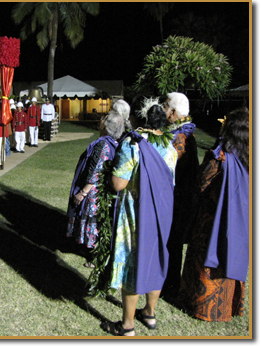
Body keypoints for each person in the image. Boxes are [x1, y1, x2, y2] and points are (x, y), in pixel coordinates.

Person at [101, 98, 177, 336]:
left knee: (133, 263)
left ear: (139, 121)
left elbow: (118, 184)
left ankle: (127, 326)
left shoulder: (132, 145)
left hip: (136, 213)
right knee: (154, 260)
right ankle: (150, 313)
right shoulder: (171, 148)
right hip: (161, 212)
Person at [178, 108, 249, 322]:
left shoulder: (220, 157)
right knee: (231, 254)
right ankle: (227, 307)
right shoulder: (248, 156)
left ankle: (204, 308)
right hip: (240, 219)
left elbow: (201, 184)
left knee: (207, 258)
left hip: (213, 219)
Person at [66, 111, 126, 267]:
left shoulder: (103, 145)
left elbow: (97, 170)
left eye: (103, 119)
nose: (100, 121)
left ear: (107, 126)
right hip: (103, 189)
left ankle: (95, 257)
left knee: (94, 221)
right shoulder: (114, 142)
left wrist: (83, 192)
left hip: (94, 191)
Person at [160, 92, 200, 300]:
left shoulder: (180, 137)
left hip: (176, 201)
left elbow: (170, 171)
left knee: (172, 244)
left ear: (173, 112)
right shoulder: (185, 133)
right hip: (180, 199)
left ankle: (170, 284)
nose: (163, 109)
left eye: (165, 106)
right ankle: (170, 282)